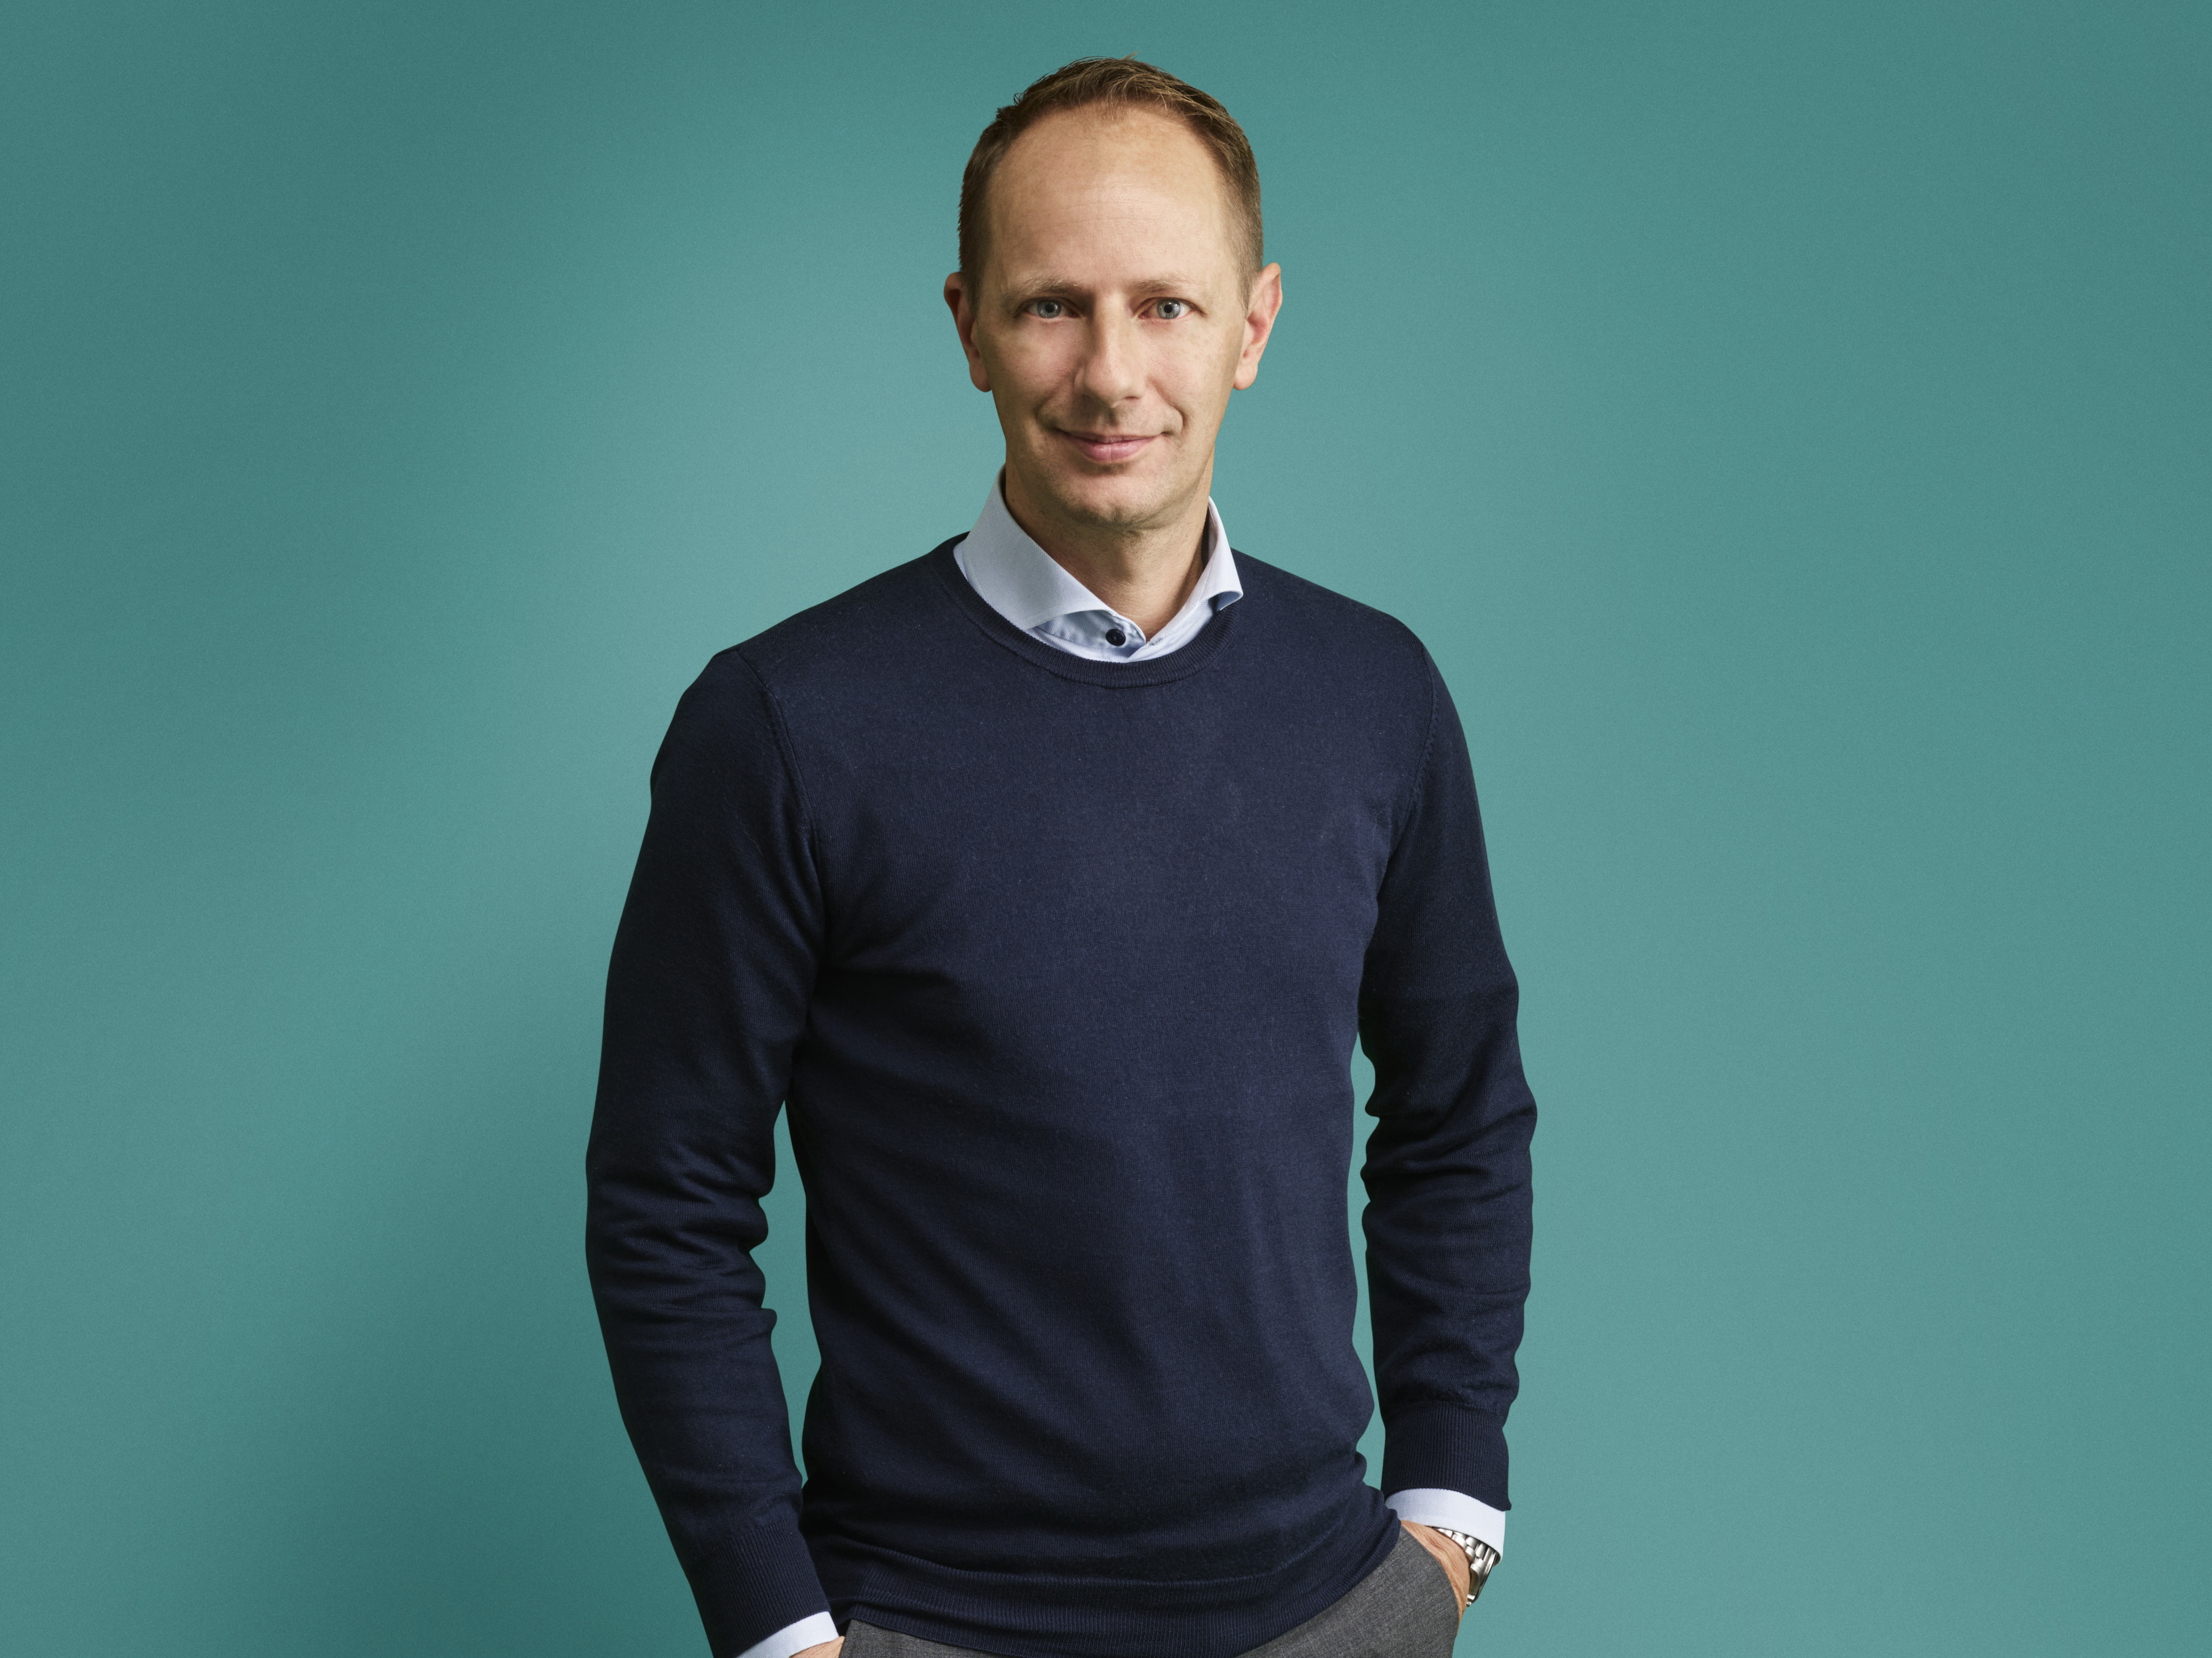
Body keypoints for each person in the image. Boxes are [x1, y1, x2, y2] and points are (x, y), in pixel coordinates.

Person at [586, 57, 1536, 1658]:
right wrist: (777, 1628)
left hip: (1330, 1614)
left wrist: (1450, 1520)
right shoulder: (786, 724)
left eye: (1166, 306)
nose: (1111, 374)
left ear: (1254, 325)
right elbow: (667, 1201)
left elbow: (1460, 1111)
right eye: (1050, 307)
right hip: (928, 1623)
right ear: (967, 325)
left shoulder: (1376, 694)